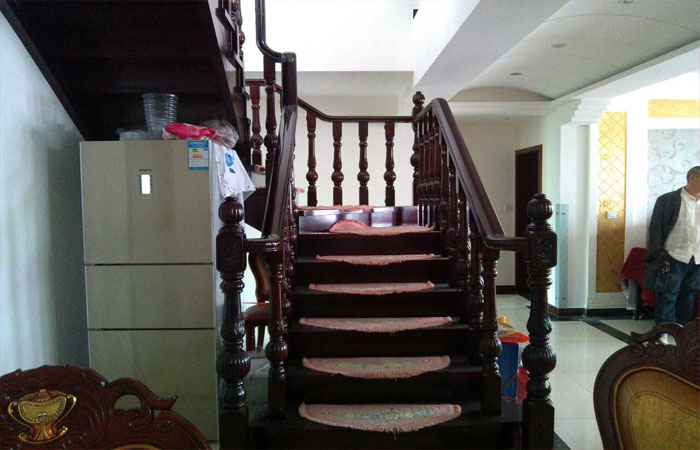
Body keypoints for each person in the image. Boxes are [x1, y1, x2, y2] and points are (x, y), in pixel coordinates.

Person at [648, 166, 700, 325]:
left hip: (697, 257)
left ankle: (683, 330)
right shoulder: (667, 200)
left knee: (690, 294)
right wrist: (658, 254)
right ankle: (664, 330)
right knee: (668, 294)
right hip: (673, 255)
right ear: (693, 177)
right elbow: (656, 229)